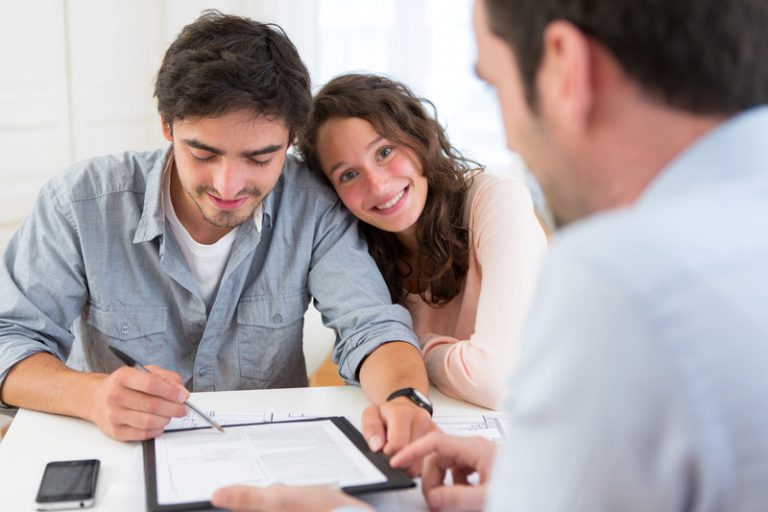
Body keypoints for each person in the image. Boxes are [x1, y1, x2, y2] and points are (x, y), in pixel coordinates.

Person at [211, 0, 768, 510]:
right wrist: (522, 482)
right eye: (349, 174)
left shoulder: (614, 269)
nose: (512, 138)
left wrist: (342, 507)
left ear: (563, 65)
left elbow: (497, 377)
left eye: (493, 85)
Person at [0, 11, 436, 453]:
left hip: (268, 456)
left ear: (290, 141)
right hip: (120, 457)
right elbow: (9, 338)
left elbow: (371, 326)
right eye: (203, 154)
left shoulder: (313, 205)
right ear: (168, 126)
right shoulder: (79, 204)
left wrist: (405, 400)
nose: (228, 186)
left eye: (260, 159)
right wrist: (91, 395)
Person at [298, 73, 547, 409]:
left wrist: (407, 349)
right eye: (349, 174)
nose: (378, 184)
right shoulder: (357, 252)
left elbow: (496, 381)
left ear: (417, 138)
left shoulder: (498, 200)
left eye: (384, 151)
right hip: (444, 432)